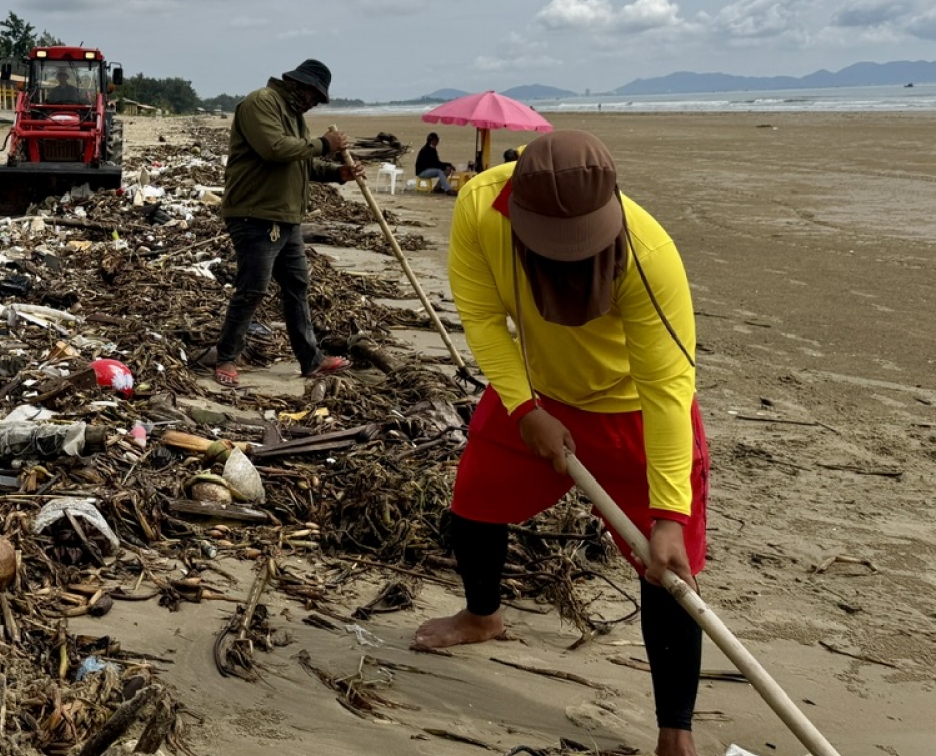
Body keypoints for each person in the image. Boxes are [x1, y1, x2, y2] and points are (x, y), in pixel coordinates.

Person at [415, 130, 707, 756]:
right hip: (535, 394)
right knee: (472, 505)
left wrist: (669, 515)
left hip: (632, 410)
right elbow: (483, 316)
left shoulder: (649, 253)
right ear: (517, 215)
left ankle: (674, 731)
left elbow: (666, 390)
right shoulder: (478, 207)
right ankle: (482, 615)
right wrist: (523, 409)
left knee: (669, 570)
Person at [207, 59, 364, 386]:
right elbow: (274, 149)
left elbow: (301, 166)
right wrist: (324, 145)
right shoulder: (261, 102)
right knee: (252, 289)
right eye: (314, 96)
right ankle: (226, 357)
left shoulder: (294, 117)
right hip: (255, 213)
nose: (314, 103)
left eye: (319, 100)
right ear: (299, 85)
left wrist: (338, 173)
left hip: (285, 216)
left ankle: (311, 360)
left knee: (297, 286)